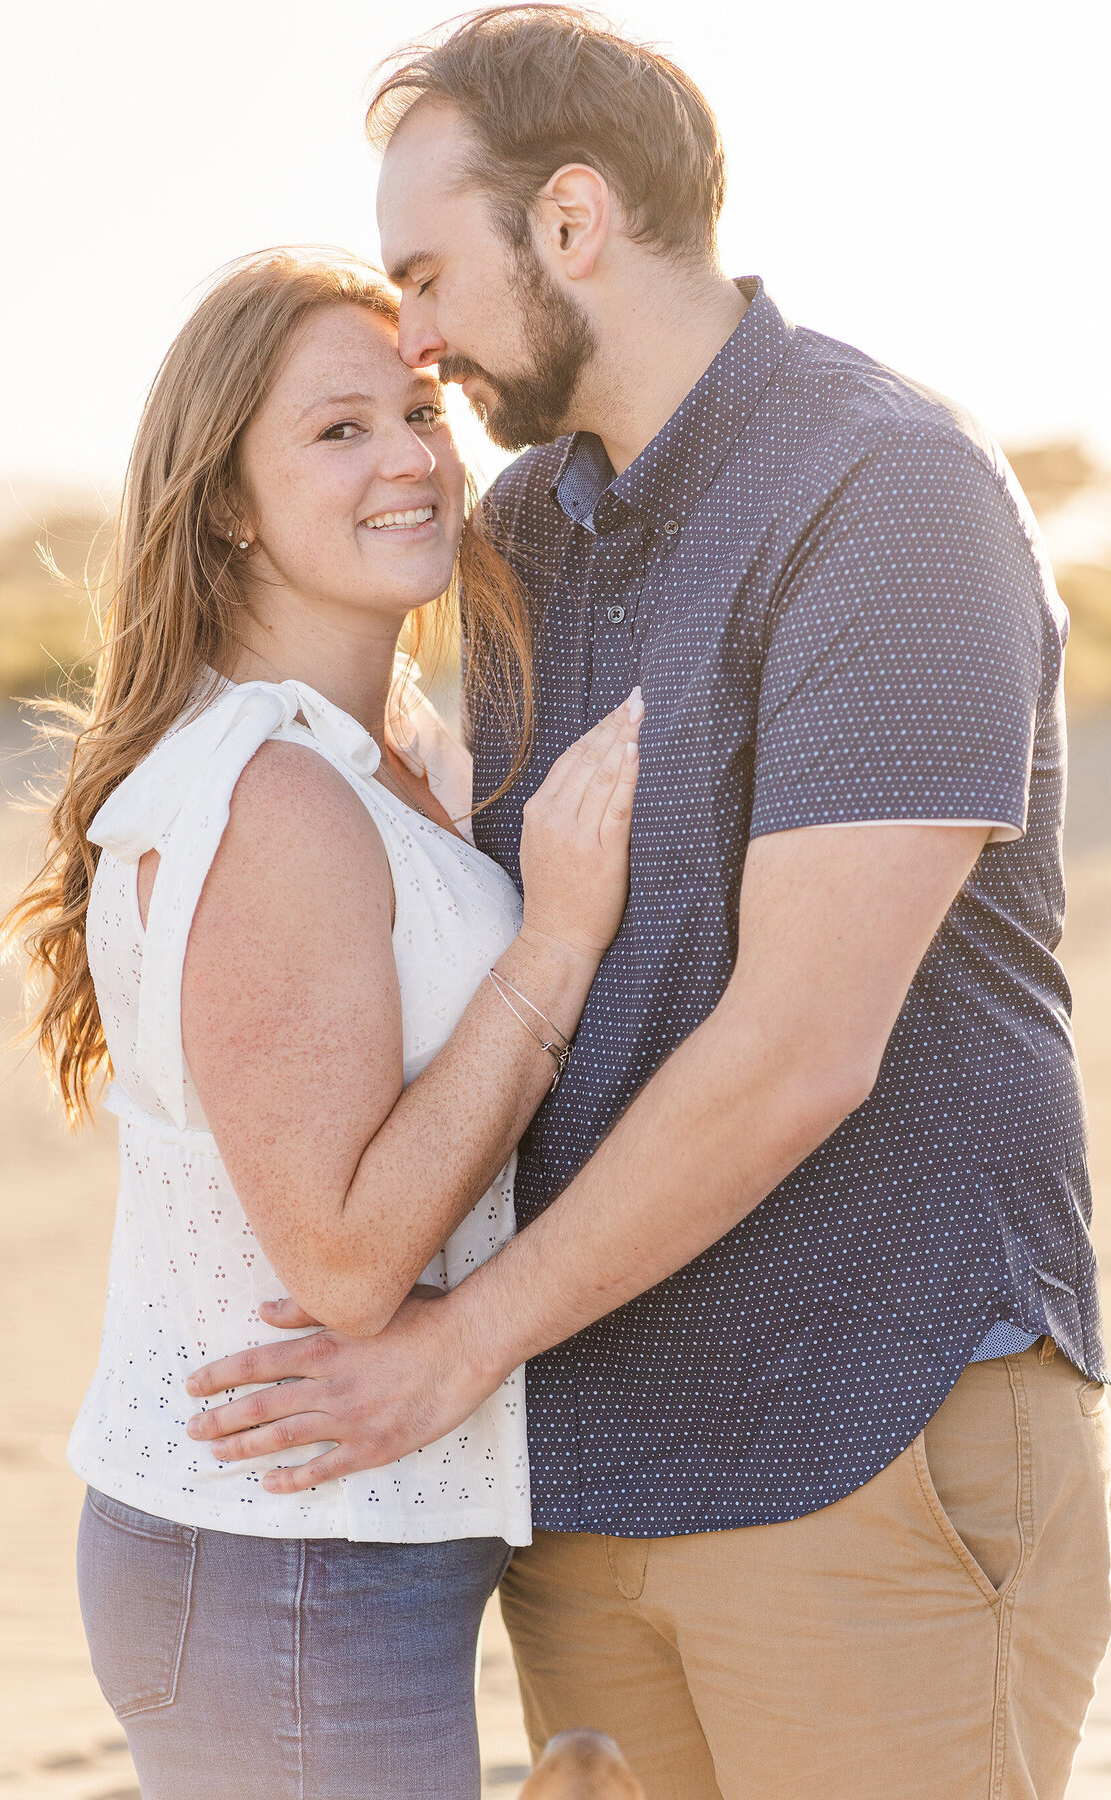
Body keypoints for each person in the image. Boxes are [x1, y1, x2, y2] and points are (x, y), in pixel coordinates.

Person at [186, 10, 1111, 1800]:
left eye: (430, 272)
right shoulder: (525, 529)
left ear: (575, 220)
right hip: (586, 1468)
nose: (420, 336)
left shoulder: (888, 493)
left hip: (869, 1433)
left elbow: (797, 1053)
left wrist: (455, 1346)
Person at [0, 246, 642, 1800]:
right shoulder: (270, 792)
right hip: (281, 1562)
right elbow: (349, 1261)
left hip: (349, 1548)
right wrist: (554, 943)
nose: (411, 458)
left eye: (419, 409)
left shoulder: (394, 750)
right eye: (337, 430)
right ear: (227, 502)